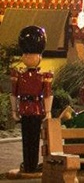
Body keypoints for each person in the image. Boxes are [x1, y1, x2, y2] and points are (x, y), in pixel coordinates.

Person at [10, 26, 53, 174]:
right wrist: (14, 110)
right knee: (28, 137)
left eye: (32, 55)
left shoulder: (42, 77)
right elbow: (14, 93)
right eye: (27, 55)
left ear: (39, 57)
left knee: (33, 138)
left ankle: (31, 164)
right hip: (29, 108)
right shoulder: (20, 76)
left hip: (34, 108)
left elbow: (47, 94)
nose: (29, 58)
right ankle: (29, 164)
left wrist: (48, 111)